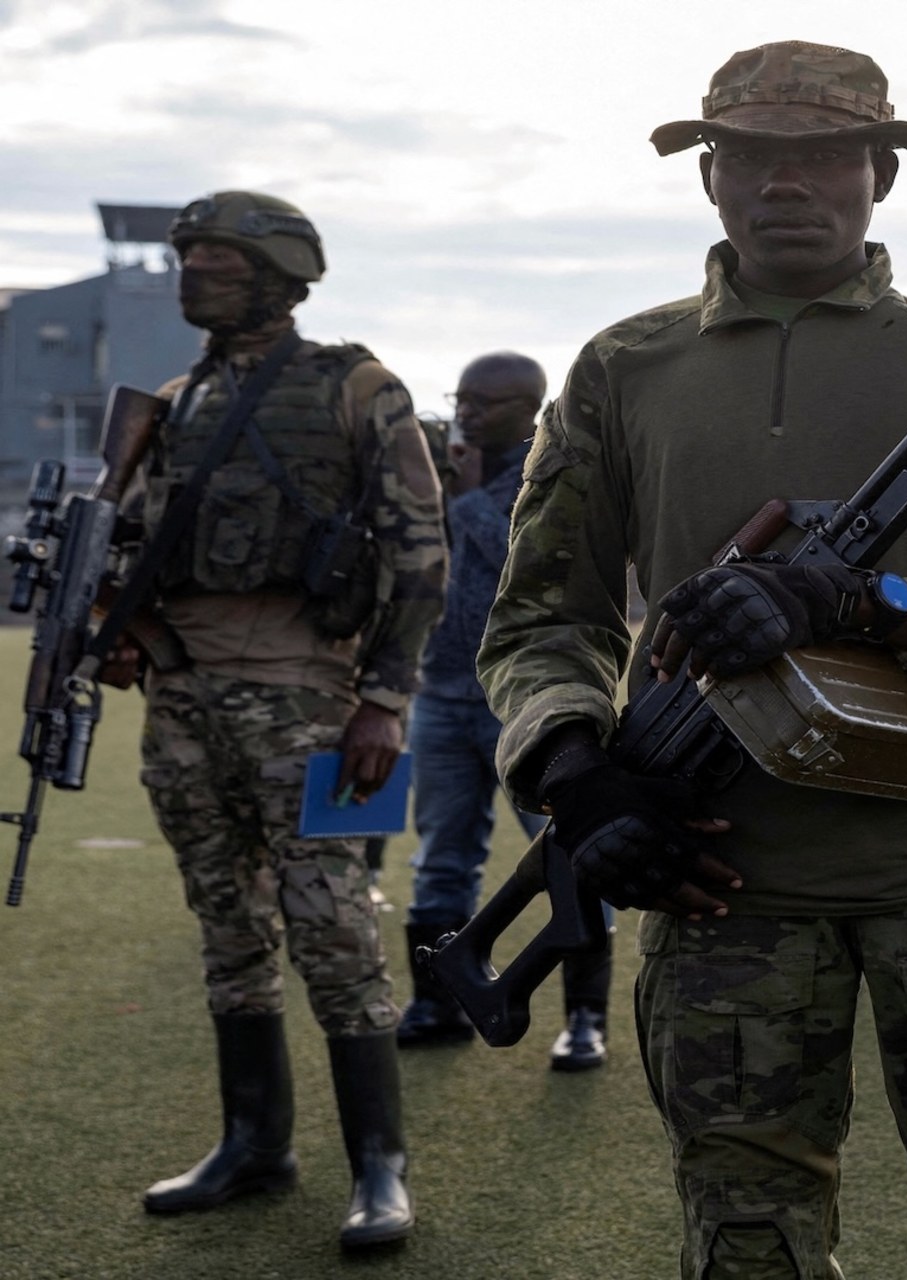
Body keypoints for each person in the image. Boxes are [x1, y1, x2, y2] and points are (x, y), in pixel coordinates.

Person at [475, 41, 907, 1279]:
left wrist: (867, 597)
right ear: (709, 176)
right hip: (724, 874)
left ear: (881, 172)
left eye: (825, 153)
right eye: (757, 156)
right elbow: (540, 619)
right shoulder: (623, 368)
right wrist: (577, 773)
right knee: (746, 1228)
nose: (790, 182)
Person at [127, 191, 446, 1249]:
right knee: (227, 926)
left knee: (335, 926)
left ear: (278, 272)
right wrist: (119, 627)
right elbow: (131, 548)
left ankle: (379, 1168)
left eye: (217, 258)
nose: (193, 273)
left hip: (318, 703)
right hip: (184, 704)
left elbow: (417, 552)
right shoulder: (171, 402)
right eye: (188, 257)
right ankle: (253, 1143)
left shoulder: (358, 386)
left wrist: (386, 699)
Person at [395, 351, 614, 1071]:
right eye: (461, 399)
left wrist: (460, 499)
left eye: (483, 403)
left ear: (528, 406)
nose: (466, 413)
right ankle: (437, 1003)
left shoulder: (545, 470)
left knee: (575, 856)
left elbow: (525, 569)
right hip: (438, 695)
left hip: (523, 702)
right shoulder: (443, 469)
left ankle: (584, 1021)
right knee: (440, 860)